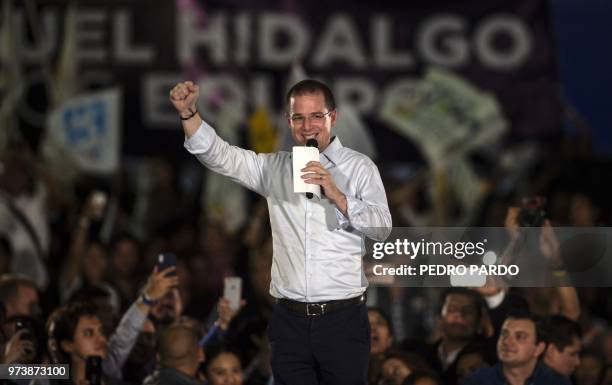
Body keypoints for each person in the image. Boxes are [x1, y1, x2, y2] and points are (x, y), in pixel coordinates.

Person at [170, 79, 392, 384]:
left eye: (316, 116)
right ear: (288, 122)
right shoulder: (274, 169)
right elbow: (222, 156)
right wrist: (189, 115)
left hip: (342, 319)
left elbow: (382, 227)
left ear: (333, 117)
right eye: (298, 117)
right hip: (289, 320)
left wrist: (338, 196)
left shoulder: (359, 168)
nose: (307, 126)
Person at [462, 313, 571, 385]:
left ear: (538, 348)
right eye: (504, 334)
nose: (507, 342)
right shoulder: (477, 381)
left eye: (519, 337)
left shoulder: (556, 383)